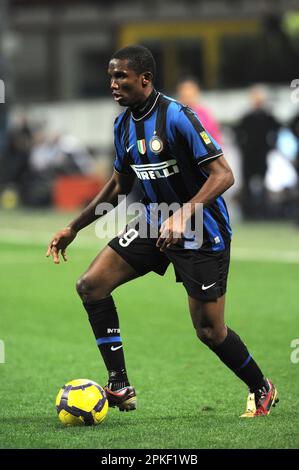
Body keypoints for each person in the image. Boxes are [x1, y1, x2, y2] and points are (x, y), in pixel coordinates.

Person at [46, 45, 278, 417]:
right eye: (110, 77)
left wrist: (184, 214)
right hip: (157, 224)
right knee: (91, 285)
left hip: (203, 229)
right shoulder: (123, 124)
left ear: (145, 79)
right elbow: (119, 186)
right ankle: (119, 384)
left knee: (209, 331)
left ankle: (261, 386)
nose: (113, 84)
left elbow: (224, 174)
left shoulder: (177, 116)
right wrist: (73, 227)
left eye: (120, 76)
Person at [235, 85, 280, 219]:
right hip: (248, 155)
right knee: (247, 183)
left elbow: (277, 130)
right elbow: (238, 133)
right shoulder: (247, 117)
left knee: (265, 183)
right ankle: (248, 212)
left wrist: (271, 146)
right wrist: (242, 147)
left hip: (263, 155)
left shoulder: (268, 116)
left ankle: (264, 210)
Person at [176, 77, 222, 145]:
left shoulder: (204, 114)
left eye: (190, 90)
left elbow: (212, 138)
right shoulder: (174, 114)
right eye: (184, 91)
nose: (187, 93)